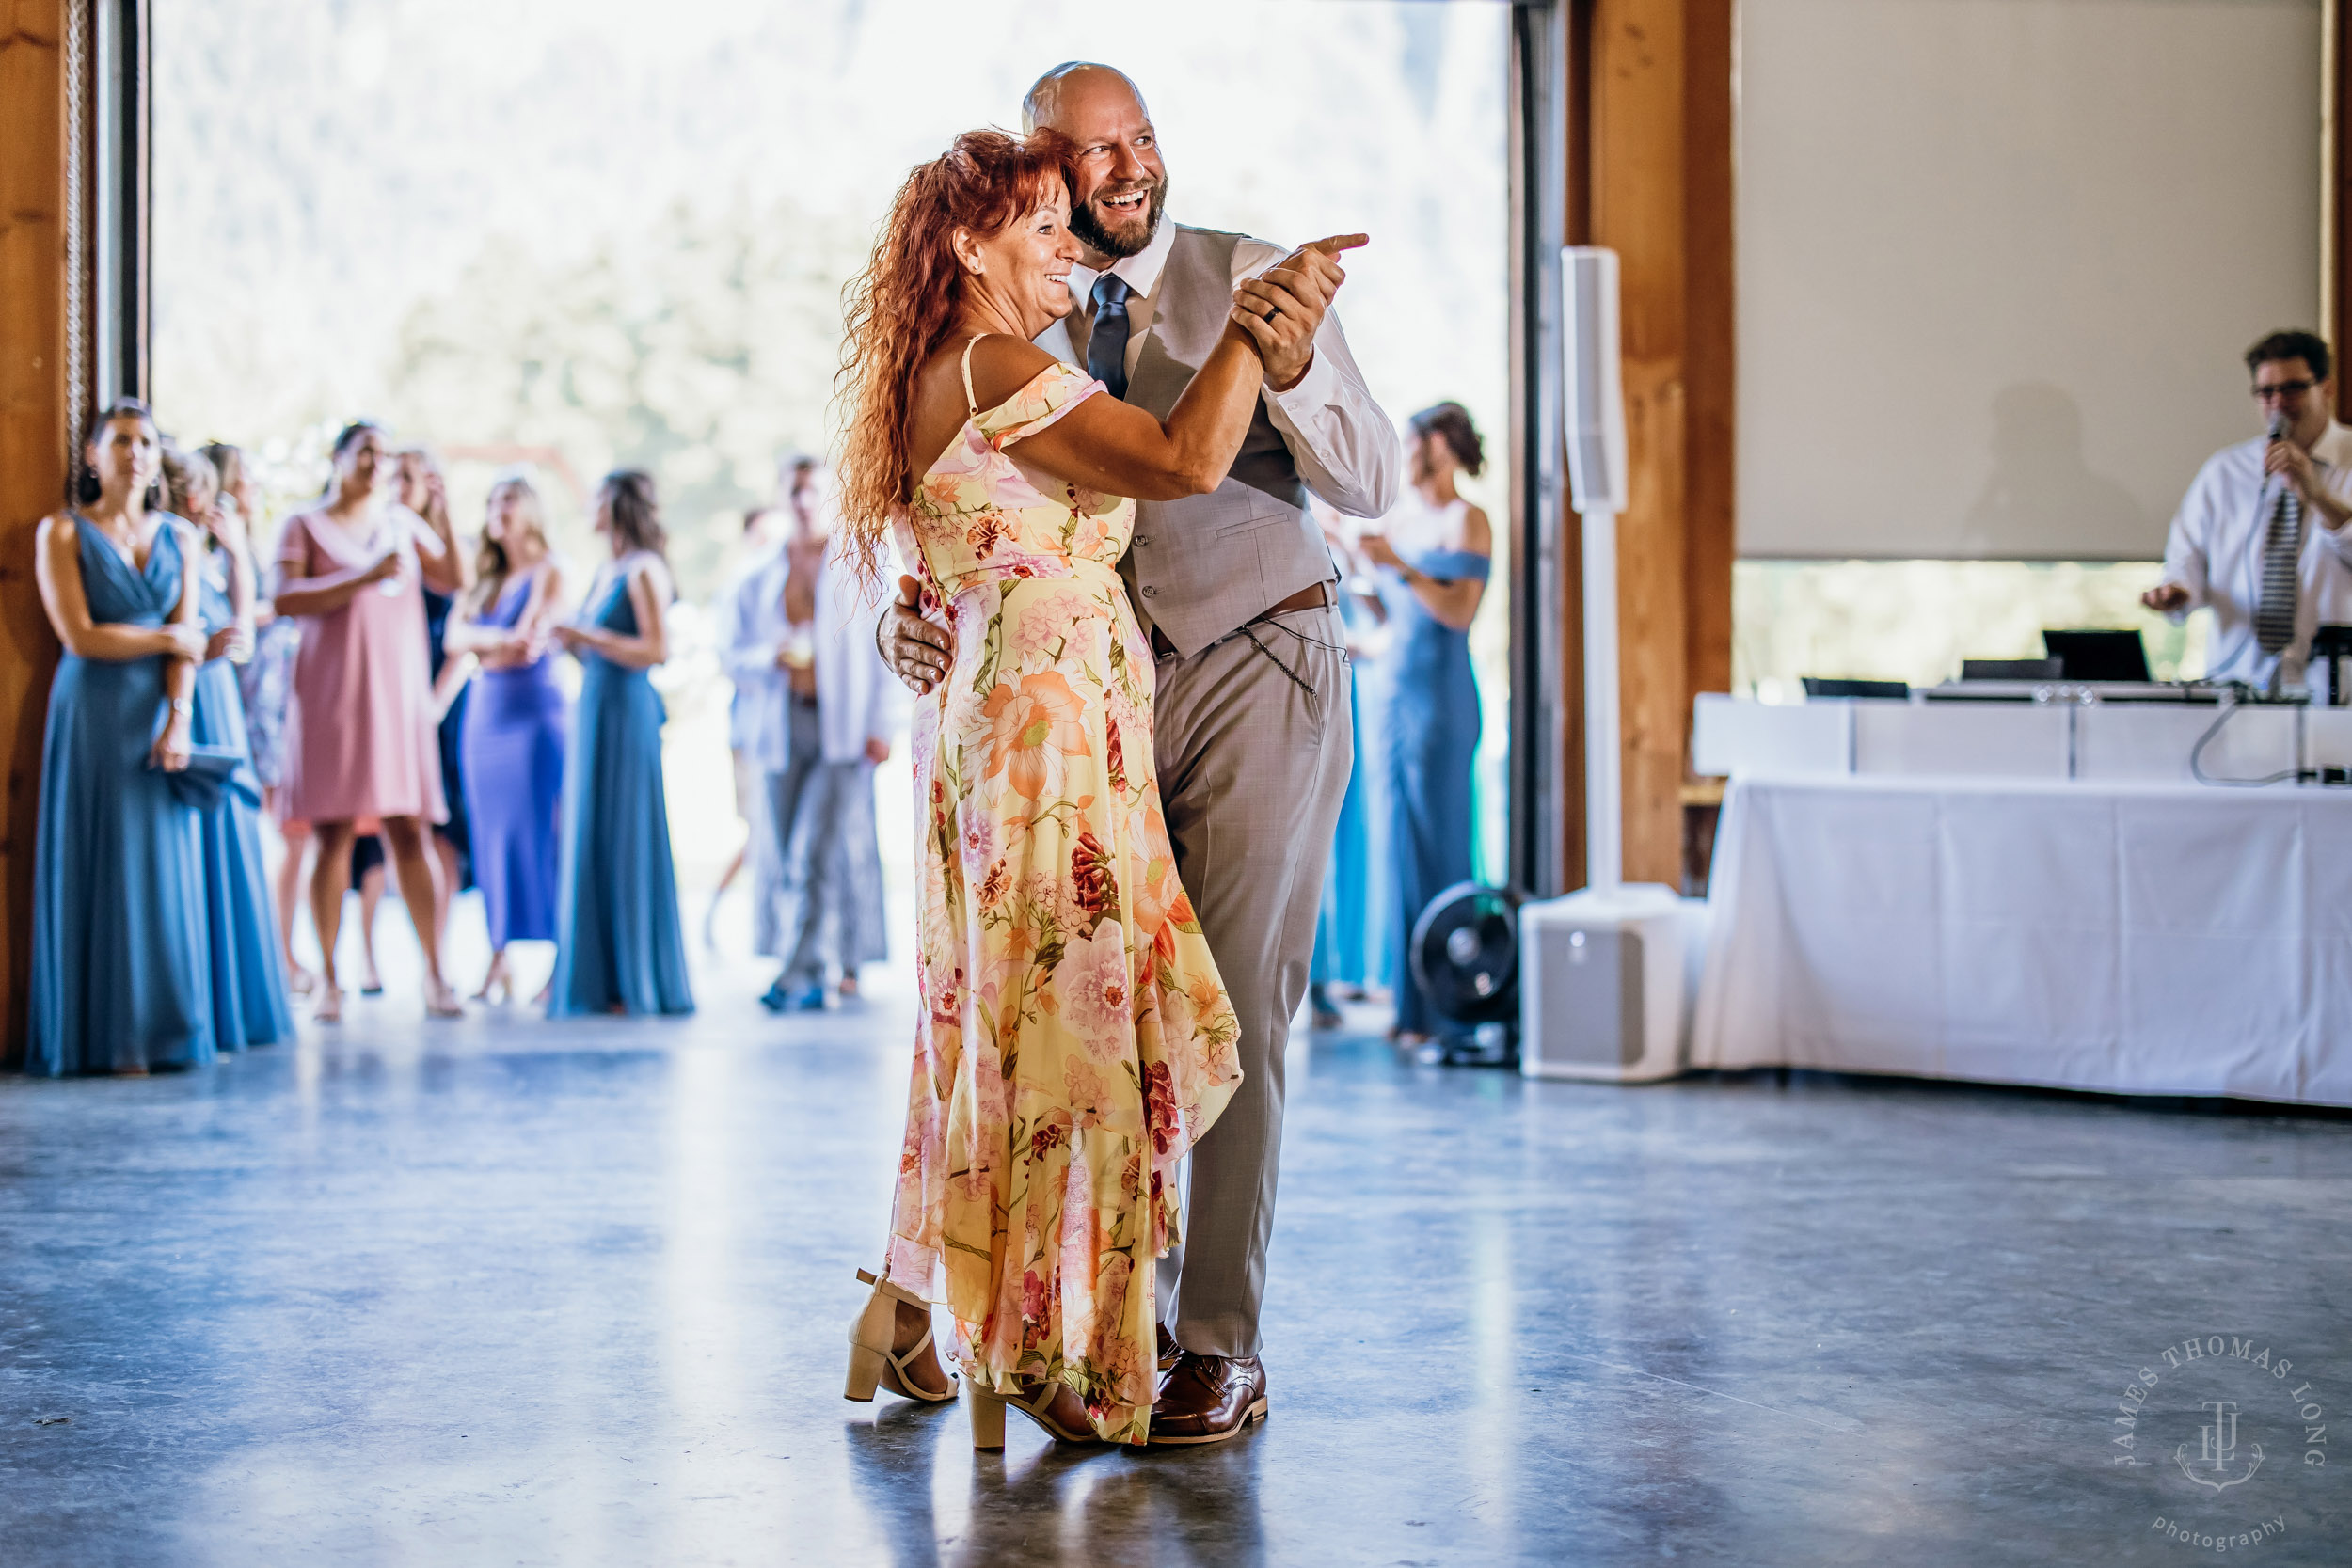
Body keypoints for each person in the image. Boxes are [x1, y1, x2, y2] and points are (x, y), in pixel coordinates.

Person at [877, 64, 1398, 1444]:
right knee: (1111, 1014)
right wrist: (911, 612)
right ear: (1034, 179)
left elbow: (1369, 477)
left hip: (1255, 657)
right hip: (1084, 712)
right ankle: (1111, 1319)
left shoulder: (1249, 276)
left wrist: (1282, 364)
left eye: (1143, 139)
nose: (1127, 168)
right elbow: (972, 501)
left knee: (1232, 995)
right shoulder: (1017, 327)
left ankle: (1216, 1338)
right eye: (1091, 151)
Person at [25, 401, 214, 1075]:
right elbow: (79, 634)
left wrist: (180, 716)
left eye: (148, 442)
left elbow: (190, 646)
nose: (136, 452)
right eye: (123, 440)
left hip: (156, 711)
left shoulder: (181, 538)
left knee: (160, 871)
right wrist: (167, 636)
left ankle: (164, 1032)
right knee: (97, 861)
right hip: (91, 709)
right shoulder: (62, 533)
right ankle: (101, 1036)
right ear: (92, 455)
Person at [272, 420, 470, 1022]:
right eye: (365, 453)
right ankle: (331, 979)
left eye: (383, 456)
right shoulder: (303, 524)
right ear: (338, 459)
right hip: (331, 695)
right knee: (331, 834)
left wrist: (441, 508)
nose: (375, 465)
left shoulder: (402, 525)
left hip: (396, 697)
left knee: (408, 830)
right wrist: (361, 577)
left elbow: (454, 580)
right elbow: (283, 598)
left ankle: (435, 973)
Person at [726, 458, 898, 1013]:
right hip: (783, 724)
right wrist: (769, 658)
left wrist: (880, 725)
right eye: (795, 490)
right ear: (781, 497)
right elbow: (730, 653)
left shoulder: (856, 567)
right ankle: (816, 965)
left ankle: (796, 973)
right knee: (782, 850)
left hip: (842, 730)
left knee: (815, 852)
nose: (804, 501)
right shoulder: (760, 573)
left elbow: (883, 650)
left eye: (813, 491)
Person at [1357, 403, 1492, 1046]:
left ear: (1437, 444)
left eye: (1409, 443)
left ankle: (1452, 1003)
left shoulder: (1466, 519)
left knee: (1442, 842)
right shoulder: (1403, 520)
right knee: (1398, 845)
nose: (1404, 455)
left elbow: (1457, 612)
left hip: (1440, 702)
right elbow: (1395, 626)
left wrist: (1399, 565)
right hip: (1390, 696)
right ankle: (1409, 1007)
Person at [546, 470, 695, 1018]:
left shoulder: (642, 569)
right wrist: (570, 644)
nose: (590, 505)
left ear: (620, 505)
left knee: (627, 831)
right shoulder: (605, 570)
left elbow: (656, 649)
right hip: (595, 707)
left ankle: (634, 977)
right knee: (594, 833)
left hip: (627, 711)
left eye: (600, 497)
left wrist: (584, 636)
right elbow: (601, 647)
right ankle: (601, 976)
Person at [164, 445, 294, 1052]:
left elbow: (240, 637)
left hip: (222, 700)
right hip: (198, 697)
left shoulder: (212, 557)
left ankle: (235, 999)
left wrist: (239, 552)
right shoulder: (174, 551)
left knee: (235, 834)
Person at [2143, 330, 2352, 690]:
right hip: (2241, 682)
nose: (2278, 403)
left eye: (2292, 389)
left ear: (2327, 388)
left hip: (2337, 687)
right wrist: (2177, 592)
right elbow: (2186, 560)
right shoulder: (2225, 471)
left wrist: (2316, 494)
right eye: (2266, 392)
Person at [447, 475, 569, 1005]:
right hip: (485, 717)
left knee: (545, 834)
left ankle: (563, 958)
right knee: (490, 836)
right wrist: (490, 643)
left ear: (532, 510)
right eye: (492, 500)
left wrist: (484, 644)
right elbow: (455, 638)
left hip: (534, 714)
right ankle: (497, 957)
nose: (498, 510)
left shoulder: (550, 570)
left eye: (509, 500)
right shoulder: (482, 575)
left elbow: (527, 645)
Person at [707, 503, 782, 947]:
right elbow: (730, 658)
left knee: (765, 831)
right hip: (752, 730)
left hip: (772, 725)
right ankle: (726, 910)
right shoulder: (742, 586)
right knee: (760, 828)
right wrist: (773, 657)